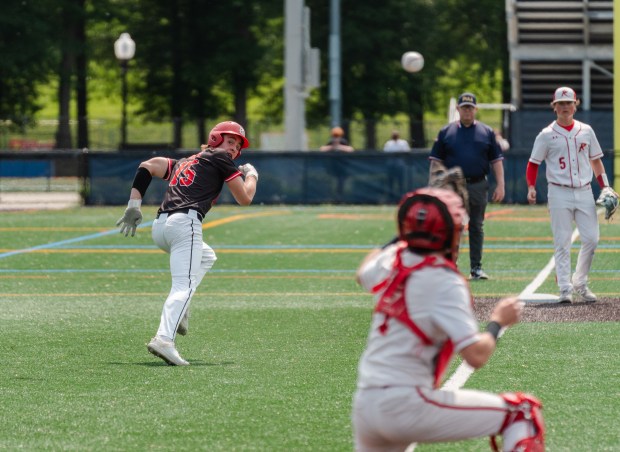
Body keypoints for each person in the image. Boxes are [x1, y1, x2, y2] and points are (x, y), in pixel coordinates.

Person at [352, 187, 545, 452]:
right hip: (406, 403)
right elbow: (475, 355)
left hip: (366, 404)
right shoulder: (444, 280)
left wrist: (408, 232)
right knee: (521, 412)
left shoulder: (391, 258)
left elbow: (362, 272)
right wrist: (498, 322)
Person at [115, 121, 258, 366]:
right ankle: (164, 339)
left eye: (237, 146)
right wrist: (253, 175)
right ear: (215, 139)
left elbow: (147, 167)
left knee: (206, 256)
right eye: (230, 141)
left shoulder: (186, 161)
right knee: (183, 285)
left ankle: (182, 310)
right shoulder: (220, 158)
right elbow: (244, 198)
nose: (233, 149)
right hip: (185, 224)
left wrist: (133, 205)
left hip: (161, 228)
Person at [526, 87, 613, 304]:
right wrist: (530, 186)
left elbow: (596, 161)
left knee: (592, 239)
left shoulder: (586, 130)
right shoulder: (546, 135)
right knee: (562, 241)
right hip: (558, 191)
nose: (565, 107)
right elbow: (533, 164)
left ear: (576, 105)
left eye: (569, 102)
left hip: (584, 191)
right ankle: (565, 289)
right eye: (561, 103)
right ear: (554, 107)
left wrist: (606, 186)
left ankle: (580, 282)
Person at [429, 92, 505, 280]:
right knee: (452, 226)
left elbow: (496, 161)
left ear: (475, 109)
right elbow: (435, 162)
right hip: (452, 187)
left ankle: (476, 268)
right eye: (464, 108)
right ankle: (449, 266)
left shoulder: (486, 132)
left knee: (477, 226)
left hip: (478, 184)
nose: (467, 111)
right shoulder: (446, 132)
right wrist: (433, 186)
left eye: (470, 108)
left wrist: (500, 185)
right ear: (458, 109)